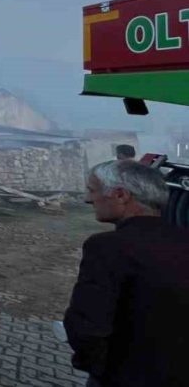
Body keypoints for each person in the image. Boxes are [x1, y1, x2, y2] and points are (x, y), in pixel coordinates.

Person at [63, 160, 189, 387]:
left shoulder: (108, 247)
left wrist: (100, 369)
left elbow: (88, 327)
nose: (87, 199)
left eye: (92, 190)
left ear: (121, 195)